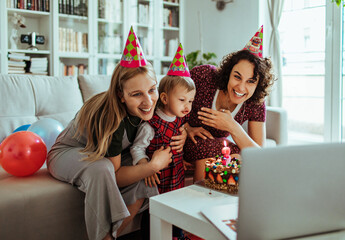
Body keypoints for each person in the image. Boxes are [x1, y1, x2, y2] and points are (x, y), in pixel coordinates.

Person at [46, 27, 186, 240]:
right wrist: (153, 165)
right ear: (121, 95)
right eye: (136, 94)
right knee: (103, 169)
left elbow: (176, 113)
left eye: (152, 90)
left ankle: (112, 235)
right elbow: (114, 176)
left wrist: (187, 130)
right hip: (68, 152)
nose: (148, 101)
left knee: (144, 179)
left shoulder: (150, 106)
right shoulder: (110, 117)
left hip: (103, 154)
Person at [183, 26, 275, 182]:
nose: (241, 87)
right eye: (237, 77)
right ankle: (199, 199)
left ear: (258, 85)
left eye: (250, 81)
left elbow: (259, 154)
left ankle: (217, 200)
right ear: (228, 72)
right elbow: (168, 100)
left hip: (211, 151)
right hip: (183, 140)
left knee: (234, 154)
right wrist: (186, 127)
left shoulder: (255, 102)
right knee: (224, 149)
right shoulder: (204, 76)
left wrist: (231, 126)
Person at [130, 43, 195, 240]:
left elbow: (184, 128)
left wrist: (188, 131)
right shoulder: (151, 124)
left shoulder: (180, 118)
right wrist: (145, 165)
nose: (187, 106)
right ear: (165, 98)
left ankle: (178, 235)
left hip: (176, 176)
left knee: (176, 209)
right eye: (182, 100)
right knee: (154, 215)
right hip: (157, 179)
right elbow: (137, 148)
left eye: (190, 101)